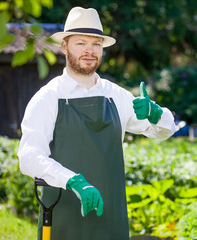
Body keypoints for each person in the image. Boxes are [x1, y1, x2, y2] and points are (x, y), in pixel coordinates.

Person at [17, 6, 176, 240]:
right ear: (64, 47)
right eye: (81, 43)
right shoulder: (48, 98)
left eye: (96, 44)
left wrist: (155, 113)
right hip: (63, 215)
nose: (89, 51)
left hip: (110, 216)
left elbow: (163, 131)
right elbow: (28, 156)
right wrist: (72, 180)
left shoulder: (116, 95)